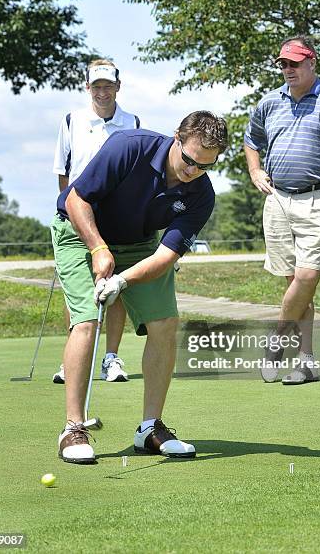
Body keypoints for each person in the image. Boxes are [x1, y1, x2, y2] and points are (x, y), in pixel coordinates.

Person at [51, 111, 228, 463]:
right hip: (80, 232)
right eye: (189, 160)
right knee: (86, 320)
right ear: (176, 137)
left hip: (139, 245)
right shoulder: (128, 147)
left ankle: (150, 428)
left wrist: (122, 279)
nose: (192, 171)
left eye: (204, 166)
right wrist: (98, 249)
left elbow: (165, 255)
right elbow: (75, 200)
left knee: (165, 322)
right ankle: (72, 429)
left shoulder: (201, 195)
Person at [244, 35, 320, 384]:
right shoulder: (269, 102)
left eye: (295, 63)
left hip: (319, 200)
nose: (288, 69)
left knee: (307, 277)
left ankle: (276, 342)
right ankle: (306, 361)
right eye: (283, 63)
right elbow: (251, 141)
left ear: (312, 62)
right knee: (296, 286)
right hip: (278, 200)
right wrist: (255, 170)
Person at [52, 58, 140, 385]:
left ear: (118, 86)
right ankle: (72, 359)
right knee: (77, 292)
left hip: (115, 216)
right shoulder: (71, 120)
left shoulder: (132, 122)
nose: (103, 92)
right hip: (78, 215)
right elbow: (63, 173)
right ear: (87, 87)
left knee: (113, 286)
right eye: (97, 86)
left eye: (108, 85)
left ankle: (110, 358)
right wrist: (73, 211)